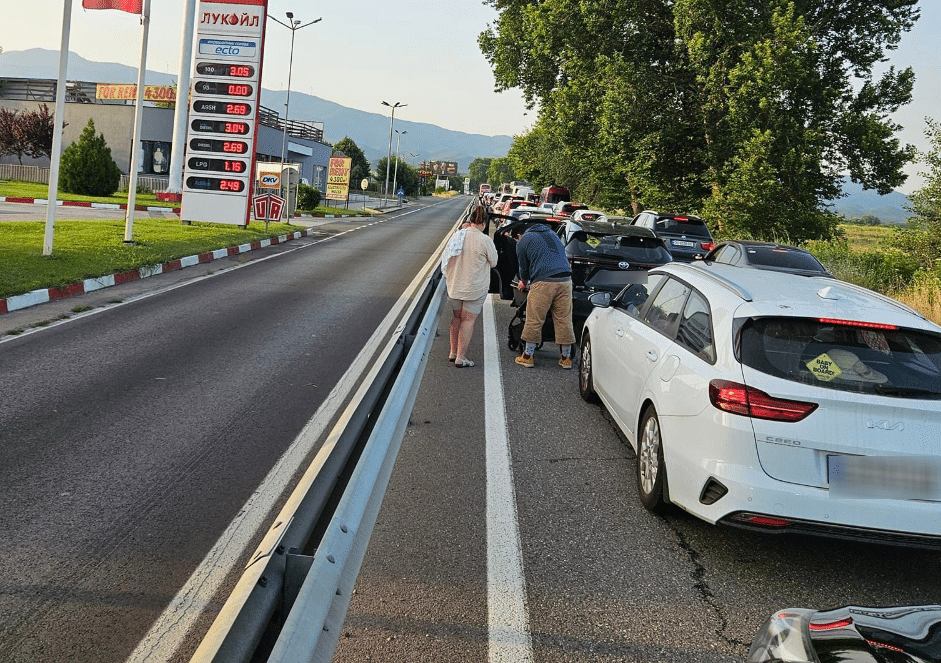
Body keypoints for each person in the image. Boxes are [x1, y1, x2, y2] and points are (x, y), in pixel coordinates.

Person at [514, 222, 576, 369]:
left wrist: (524, 282)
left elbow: (523, 267)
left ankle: (528, 356)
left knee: (535, 317)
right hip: (566, 281)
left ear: (518, 235)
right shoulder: (552, 234)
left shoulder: (523, 240)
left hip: (544, 281)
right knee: (564, 318)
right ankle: (566, 358)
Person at [441, 206, 497, 367]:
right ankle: (461, 357)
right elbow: (494, 262)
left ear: (470, 220)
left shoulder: (458, 236)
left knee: (456, 318)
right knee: (468, 321)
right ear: (484, 224)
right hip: (474, 288)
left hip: (455, 286)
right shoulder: (485, 240)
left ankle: (452, 352)